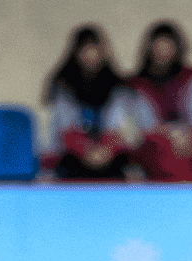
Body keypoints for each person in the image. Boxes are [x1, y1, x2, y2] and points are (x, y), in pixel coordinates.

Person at [127, 20, 192, 182]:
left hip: (190, 134)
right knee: (162, 149)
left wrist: (188, 136)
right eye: (159, 48)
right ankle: (183, 195)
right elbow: (143, 124)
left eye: (168, 48)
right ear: (149, 50)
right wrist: (173, 135)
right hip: (157, 138)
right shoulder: (137, 84)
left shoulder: (191, 77)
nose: (163, 53)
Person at [41, 24, 132, 181]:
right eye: (85, 51)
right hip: (72, 155)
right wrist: (85, 150)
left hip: (109, 155)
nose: (91, 56)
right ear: (76, 53)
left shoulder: (117, 86)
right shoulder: (62, 85)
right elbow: (63, 128)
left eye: (95, 50)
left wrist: (106, 150)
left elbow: (119, 127)